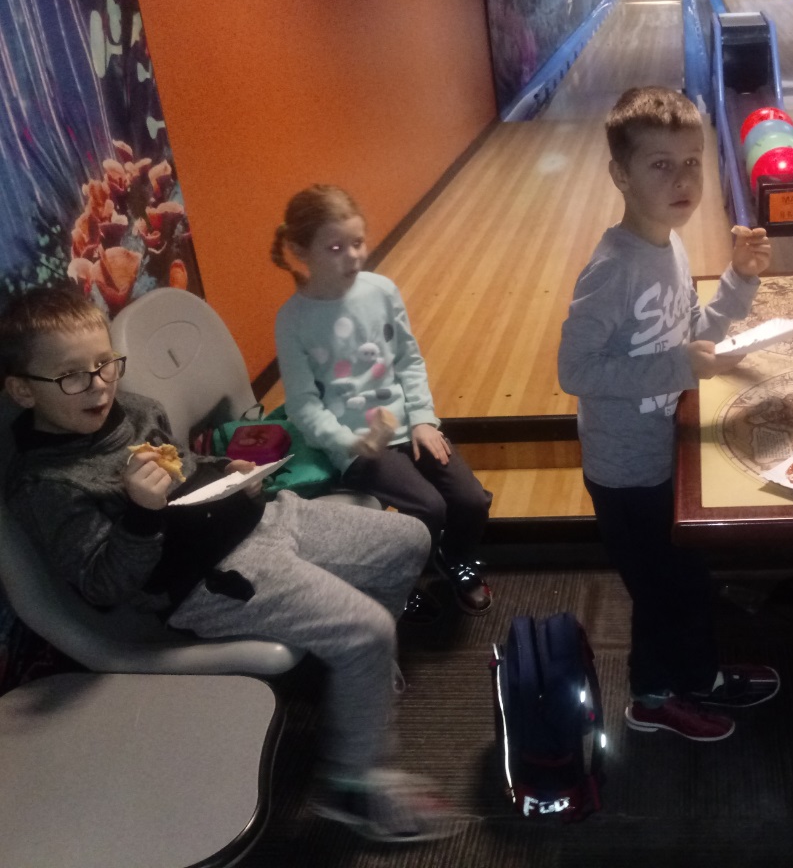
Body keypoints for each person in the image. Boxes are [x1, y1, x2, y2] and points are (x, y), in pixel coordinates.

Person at [0, 286, 475, 843]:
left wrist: (223, 467)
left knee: (409, 537)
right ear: (22, 390)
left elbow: (186, 463)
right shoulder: (48, 485)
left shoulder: (138, 409)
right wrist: (140, 515)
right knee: (366, 630)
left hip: (263, 518)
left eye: (104, 363)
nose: (100, 384)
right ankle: (353, 787)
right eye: (71, 376)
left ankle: (356, 669)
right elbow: (104, 586)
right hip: (210, 580)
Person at [558, 86, 779, 742]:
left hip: (665, 448)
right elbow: (576, 371)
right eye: (661, 165)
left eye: (692, 163)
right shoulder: (613, 269)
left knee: (687, 579)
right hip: (627, 470)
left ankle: (699, 674)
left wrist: (738, 281)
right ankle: (652, 698)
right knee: (661, 593)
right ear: (620, 175)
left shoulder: (670, 246)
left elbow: (691, 338)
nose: (683, 180)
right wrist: (679, 367)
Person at [272, 185, 493, 620]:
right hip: (355, 444)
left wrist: (423, 420)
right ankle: (399, 583)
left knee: (471, 501)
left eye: (358, 242)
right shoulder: (292, 320)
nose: (353, 256)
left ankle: (456, 562)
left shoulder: (382, 291)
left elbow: (409, 359)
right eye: (336, 248)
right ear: (299, 250)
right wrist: (349, 442)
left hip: (409, 427)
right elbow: (302, 405)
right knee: (428, 507)